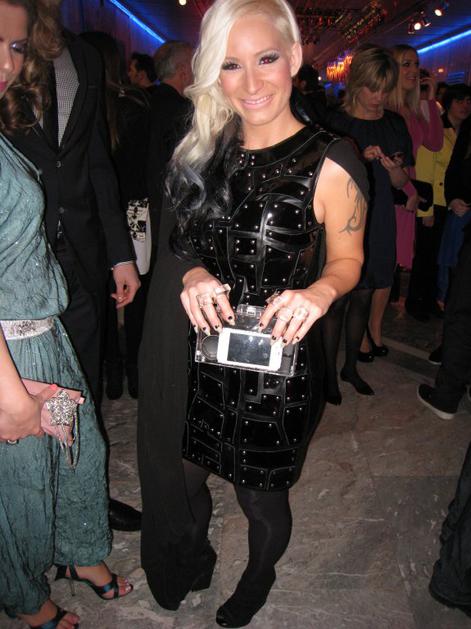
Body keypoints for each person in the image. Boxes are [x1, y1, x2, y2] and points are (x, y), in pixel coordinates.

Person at [138, 0, 368, 626]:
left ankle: (259, 576)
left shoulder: (332, 157)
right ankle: (194, 554)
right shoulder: (205, 151)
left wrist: (320, 292)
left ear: (294, 57)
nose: (250, 82)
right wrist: (192, 272)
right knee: (183, 477)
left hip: (278, 371)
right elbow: (180, 241)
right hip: (203, 358)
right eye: (231, 64)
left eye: (266, 58)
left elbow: (349, 260)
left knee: (259, 499)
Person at [0, 1, 132, 627]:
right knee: (21, 463)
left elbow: (95, 163)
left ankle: (75, 546)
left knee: (77, 429)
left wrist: (120, 255)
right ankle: (26, 582)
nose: (7, 61)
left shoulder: (81, 57)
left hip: (64, 280)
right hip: (13, 296)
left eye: (14, 46)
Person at [320, 45, 412, 402]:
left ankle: (350, 367)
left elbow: (401, 182)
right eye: (372, 88)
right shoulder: (334, 121)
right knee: (338, 298)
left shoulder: (394, 124)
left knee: (364, 293)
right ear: (356, 83)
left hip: (380, 216)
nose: (379, 98)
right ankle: (328, 374)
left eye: (385, 90)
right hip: (342, 218)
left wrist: (394, 170)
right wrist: (357, 156)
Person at [81, 31, 151, 400]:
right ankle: (135, 371)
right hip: (134, 210)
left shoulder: (82, 104)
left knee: (102, 296)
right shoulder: (134, 104)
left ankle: (111, 372)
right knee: (135, 292)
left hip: (94, 215)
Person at [385, 45, 443, 323]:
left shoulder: (412, 109)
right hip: (391, 190)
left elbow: (435, 143)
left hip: (408, 190)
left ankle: (374, 327)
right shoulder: (386, 106)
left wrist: (429, 100)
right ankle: (368, 330)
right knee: (384, 260)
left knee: (393, 262)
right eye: (406, 64)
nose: (414, 70)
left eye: (416, 64)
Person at [147, 40, 193, 258]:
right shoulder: (184, 112)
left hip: (145, 211)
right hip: (170, 213)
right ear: (184, 71)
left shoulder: (145, 101)